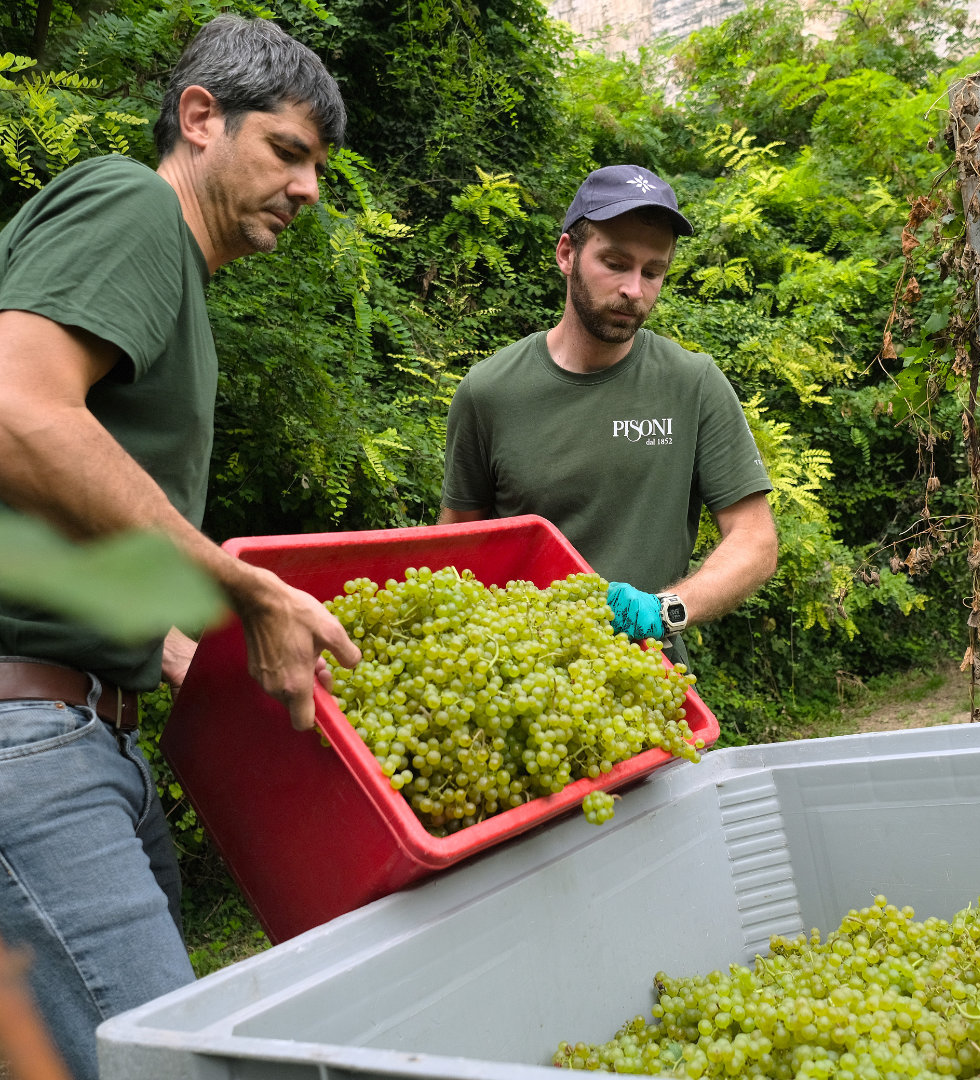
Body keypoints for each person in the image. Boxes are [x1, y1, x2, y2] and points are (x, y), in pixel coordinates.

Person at [0, 16, 360, 1080]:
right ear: (200, 118)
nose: (308, 190)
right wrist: (240, 586)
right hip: (31, 747)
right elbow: (17, 411)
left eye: (318, 168)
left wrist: (167, 643)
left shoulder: (175, 284)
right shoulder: (134, 206)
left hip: (85, 732)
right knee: (181, 1064)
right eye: (288, 152)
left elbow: (41, 515)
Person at [439, 164, 778, 665]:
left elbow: (755, 539)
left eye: (653, 271)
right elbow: (454, 549)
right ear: (567, 254)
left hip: (645, 680)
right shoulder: (489, 392)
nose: (634, 290)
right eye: (615, 263)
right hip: (516, 675)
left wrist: (668, 608)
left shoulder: (692, 383)